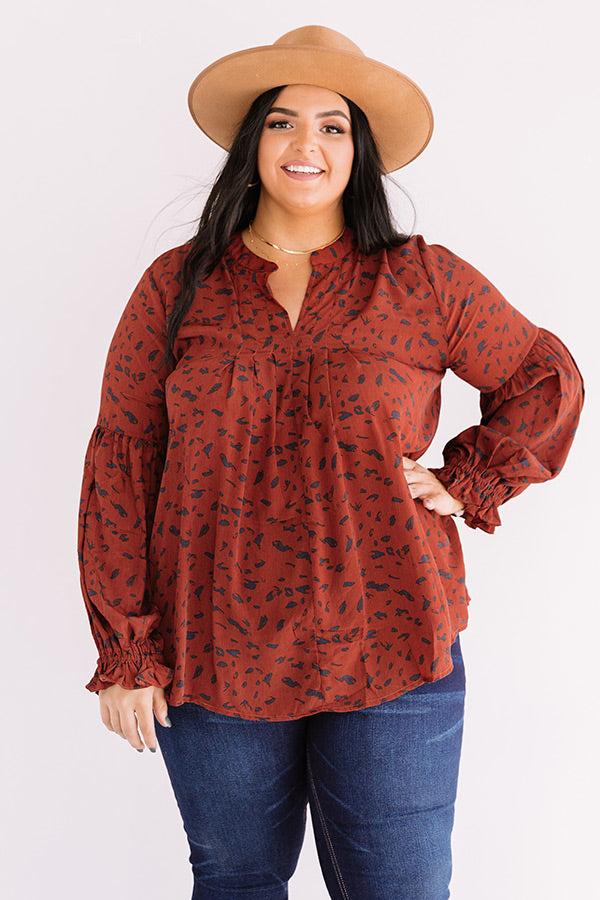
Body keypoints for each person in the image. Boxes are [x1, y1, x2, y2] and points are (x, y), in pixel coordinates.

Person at [77, 25, 584, 900]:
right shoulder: (177, 286)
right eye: (281, 122)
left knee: (401, 888)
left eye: (332, 126)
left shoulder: (423, 281)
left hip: (392, 640)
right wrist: (126, 648)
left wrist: (468, 479)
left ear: (359, 150)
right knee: (236, 882)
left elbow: (545, 377)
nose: (305, 144)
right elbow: (122, 463)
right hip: (214, 648)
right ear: (253, 143)